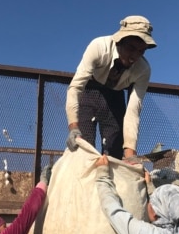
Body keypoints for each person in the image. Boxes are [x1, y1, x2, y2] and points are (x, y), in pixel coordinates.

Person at [65, 15, 156, 161]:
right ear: (120, 40)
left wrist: (130, 154)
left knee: (113, 153)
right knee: (83, 148)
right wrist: (73, 127)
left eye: (141, 51)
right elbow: (76, 87)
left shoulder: (143, 69)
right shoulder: (99, 47)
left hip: (115, 97)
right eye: (131, 48)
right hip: (89, 90)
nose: (135, 56)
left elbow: (133, 110)